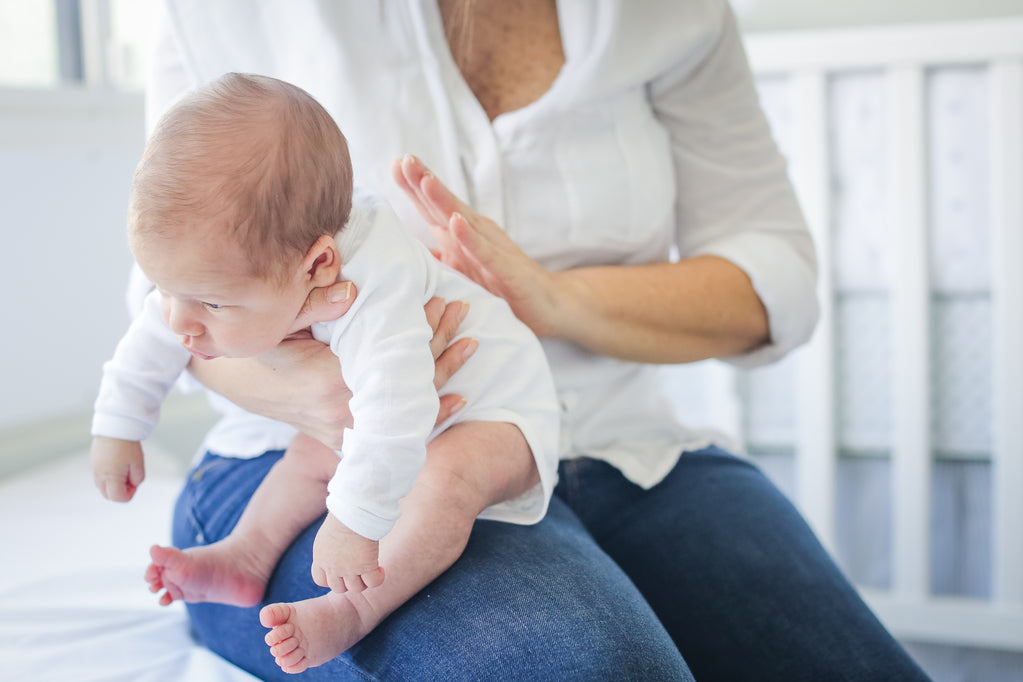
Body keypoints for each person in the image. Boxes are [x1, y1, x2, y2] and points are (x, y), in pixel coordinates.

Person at [138, 1, 931, 680]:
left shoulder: (669, 17)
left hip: (628, 450)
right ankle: (248, 557)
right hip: (308, 464)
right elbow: (164, 299)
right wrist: (327, 398)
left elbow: (780, 275)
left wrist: (557, 299)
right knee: (592, 666)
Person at [91, 72, 559, 674]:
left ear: (318, 263)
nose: (181, 322)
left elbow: (397, 409)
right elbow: (157, 330)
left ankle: (351, 612)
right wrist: (119, 424)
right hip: (383, 411)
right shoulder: (235, 271)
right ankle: (246, 555)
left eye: (209, 304)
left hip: (493, 409)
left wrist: (354, 518)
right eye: (166, 288)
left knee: (445, 481)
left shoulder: (373, 288)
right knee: (313, 454)